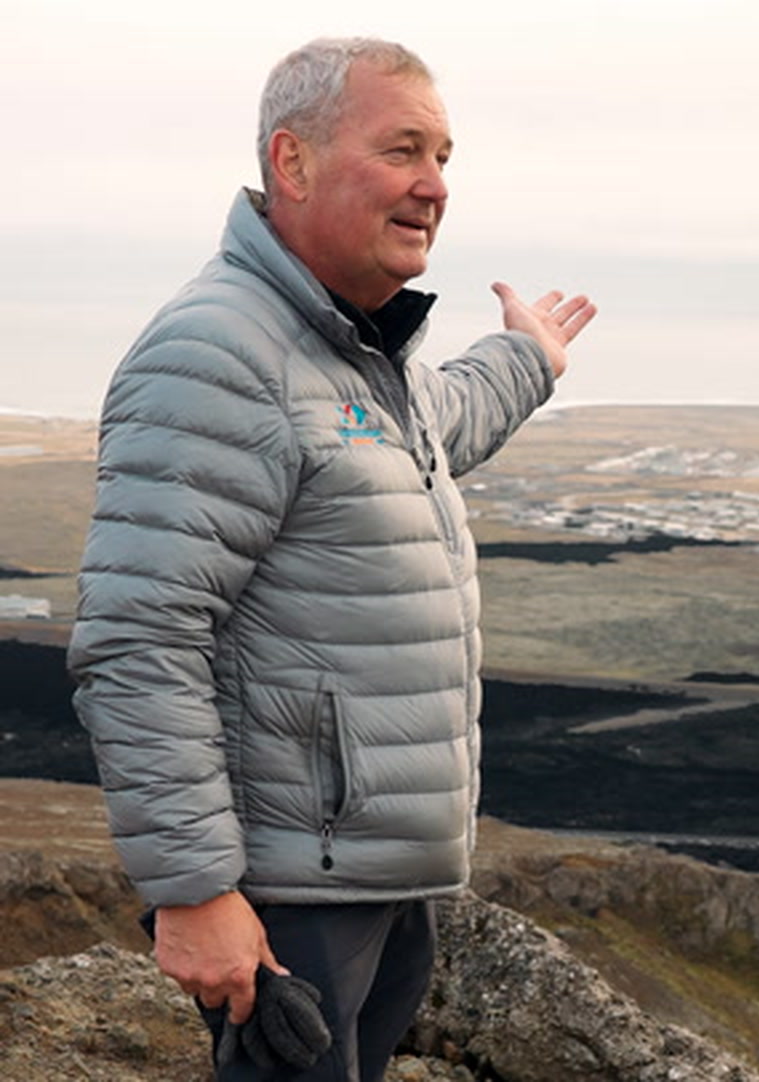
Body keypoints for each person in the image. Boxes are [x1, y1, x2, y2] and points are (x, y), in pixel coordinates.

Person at [67, 37, 596, 1081]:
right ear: (293, 162)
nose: (434, 185)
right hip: (290, 895)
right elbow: (138, 635)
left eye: (445, 156)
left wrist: (529, 356)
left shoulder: (349, 354)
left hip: (373, 879)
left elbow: (445, 420)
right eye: (403, 149)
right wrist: (195, 889)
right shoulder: (221, 351)